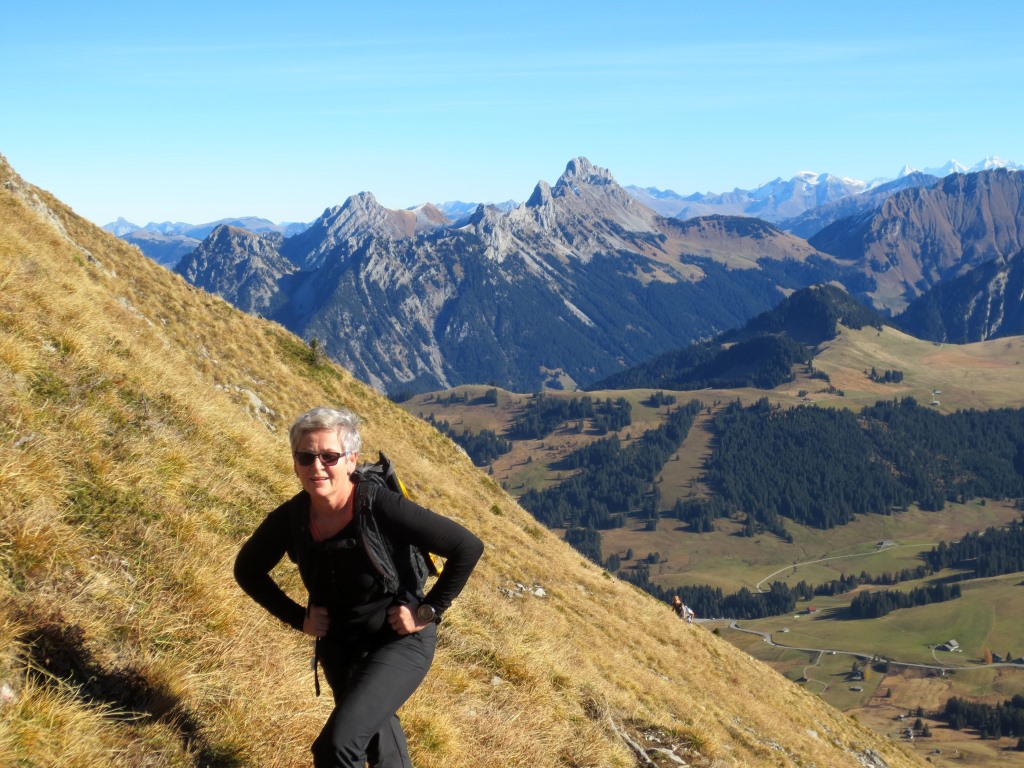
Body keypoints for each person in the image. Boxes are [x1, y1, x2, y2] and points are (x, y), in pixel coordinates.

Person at [234, 406, 484, 767]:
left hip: (399, 641)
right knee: (377, 746)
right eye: (305, 457)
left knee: (337, 747)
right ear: (294, 463)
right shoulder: (291, 518)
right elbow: (247, 570)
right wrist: (298, 618)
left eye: (329, 456)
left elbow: (467, 547)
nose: (316, 466)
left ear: (351, 460)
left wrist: (427, 611)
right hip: (340, 648)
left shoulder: (378, 505)